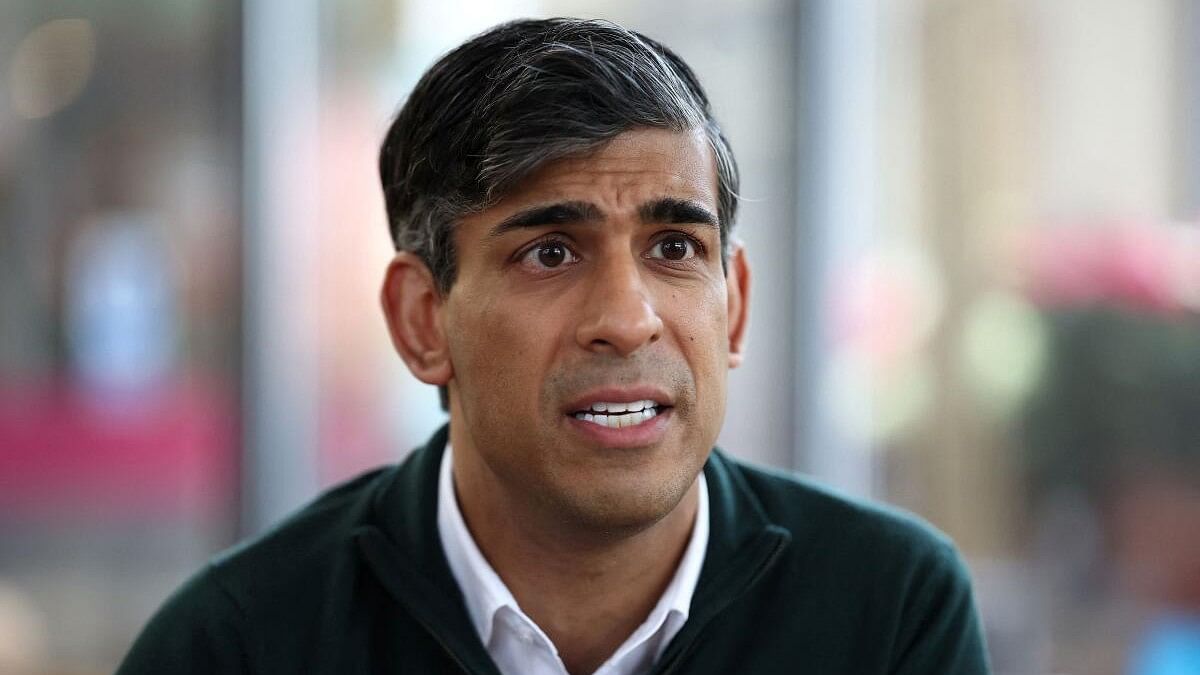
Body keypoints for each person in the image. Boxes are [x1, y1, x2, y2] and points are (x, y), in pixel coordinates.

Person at [116, 17, 990, 675]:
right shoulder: (236, 646)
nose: (628, 316)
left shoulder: (888, 611)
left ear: (734, 309)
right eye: (551, 252)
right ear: (423, 320)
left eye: (675, 247)